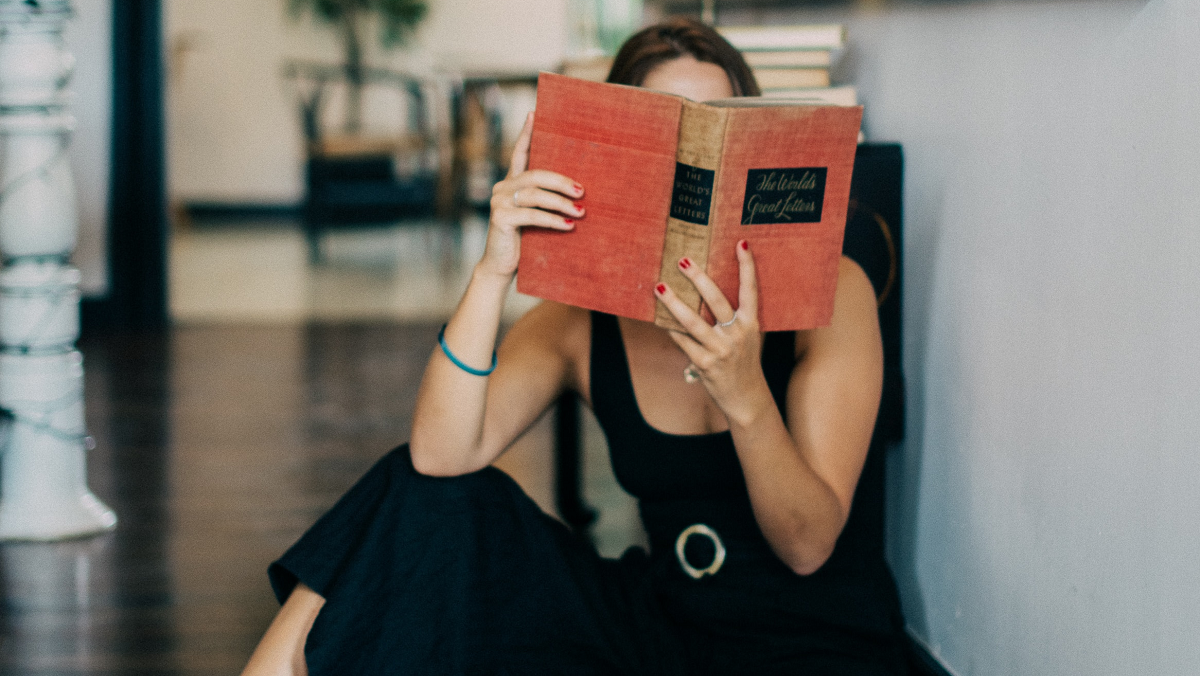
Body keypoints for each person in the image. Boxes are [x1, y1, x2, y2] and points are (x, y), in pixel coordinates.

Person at [242, 16, 907, 676]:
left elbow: (807, 547)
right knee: (419, 496)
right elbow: (440, 456)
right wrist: (493, 269)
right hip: (665, 631)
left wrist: (746, 396)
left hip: (815, 645)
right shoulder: (578, 322)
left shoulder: (834, 294)